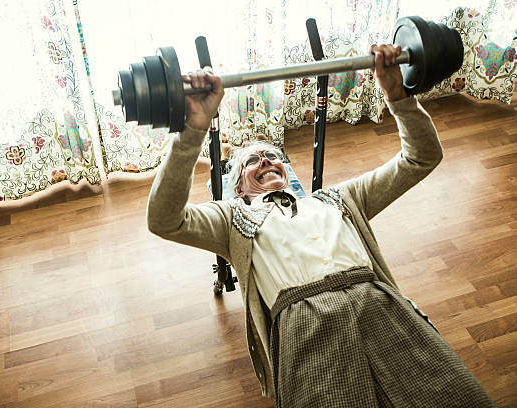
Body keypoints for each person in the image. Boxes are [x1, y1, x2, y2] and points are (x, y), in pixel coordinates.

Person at [147, 44, 495, 407]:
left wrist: (399, 97)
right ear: (237, 187)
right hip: (305, 326)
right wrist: (193, 129)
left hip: (379, 305)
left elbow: (421, 157)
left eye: (273, 158)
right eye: (253, 161)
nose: (266, 161)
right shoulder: (231, 218)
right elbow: (163, 219)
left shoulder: (339, 198)